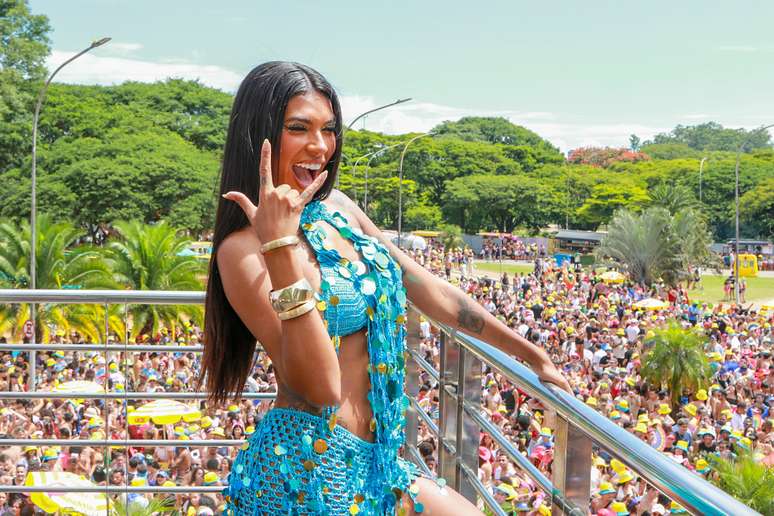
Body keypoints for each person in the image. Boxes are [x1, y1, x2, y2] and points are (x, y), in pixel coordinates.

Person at [200, 61, 570, 515]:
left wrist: (532, 355)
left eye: (328, 129)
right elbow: (321, 388)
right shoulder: (242, 250)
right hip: (305, 476)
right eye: (299, 128)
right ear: (259, 133)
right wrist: (279, 246)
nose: (320, 146)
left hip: (379, 465)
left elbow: (429, 289)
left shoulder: (339, 209)